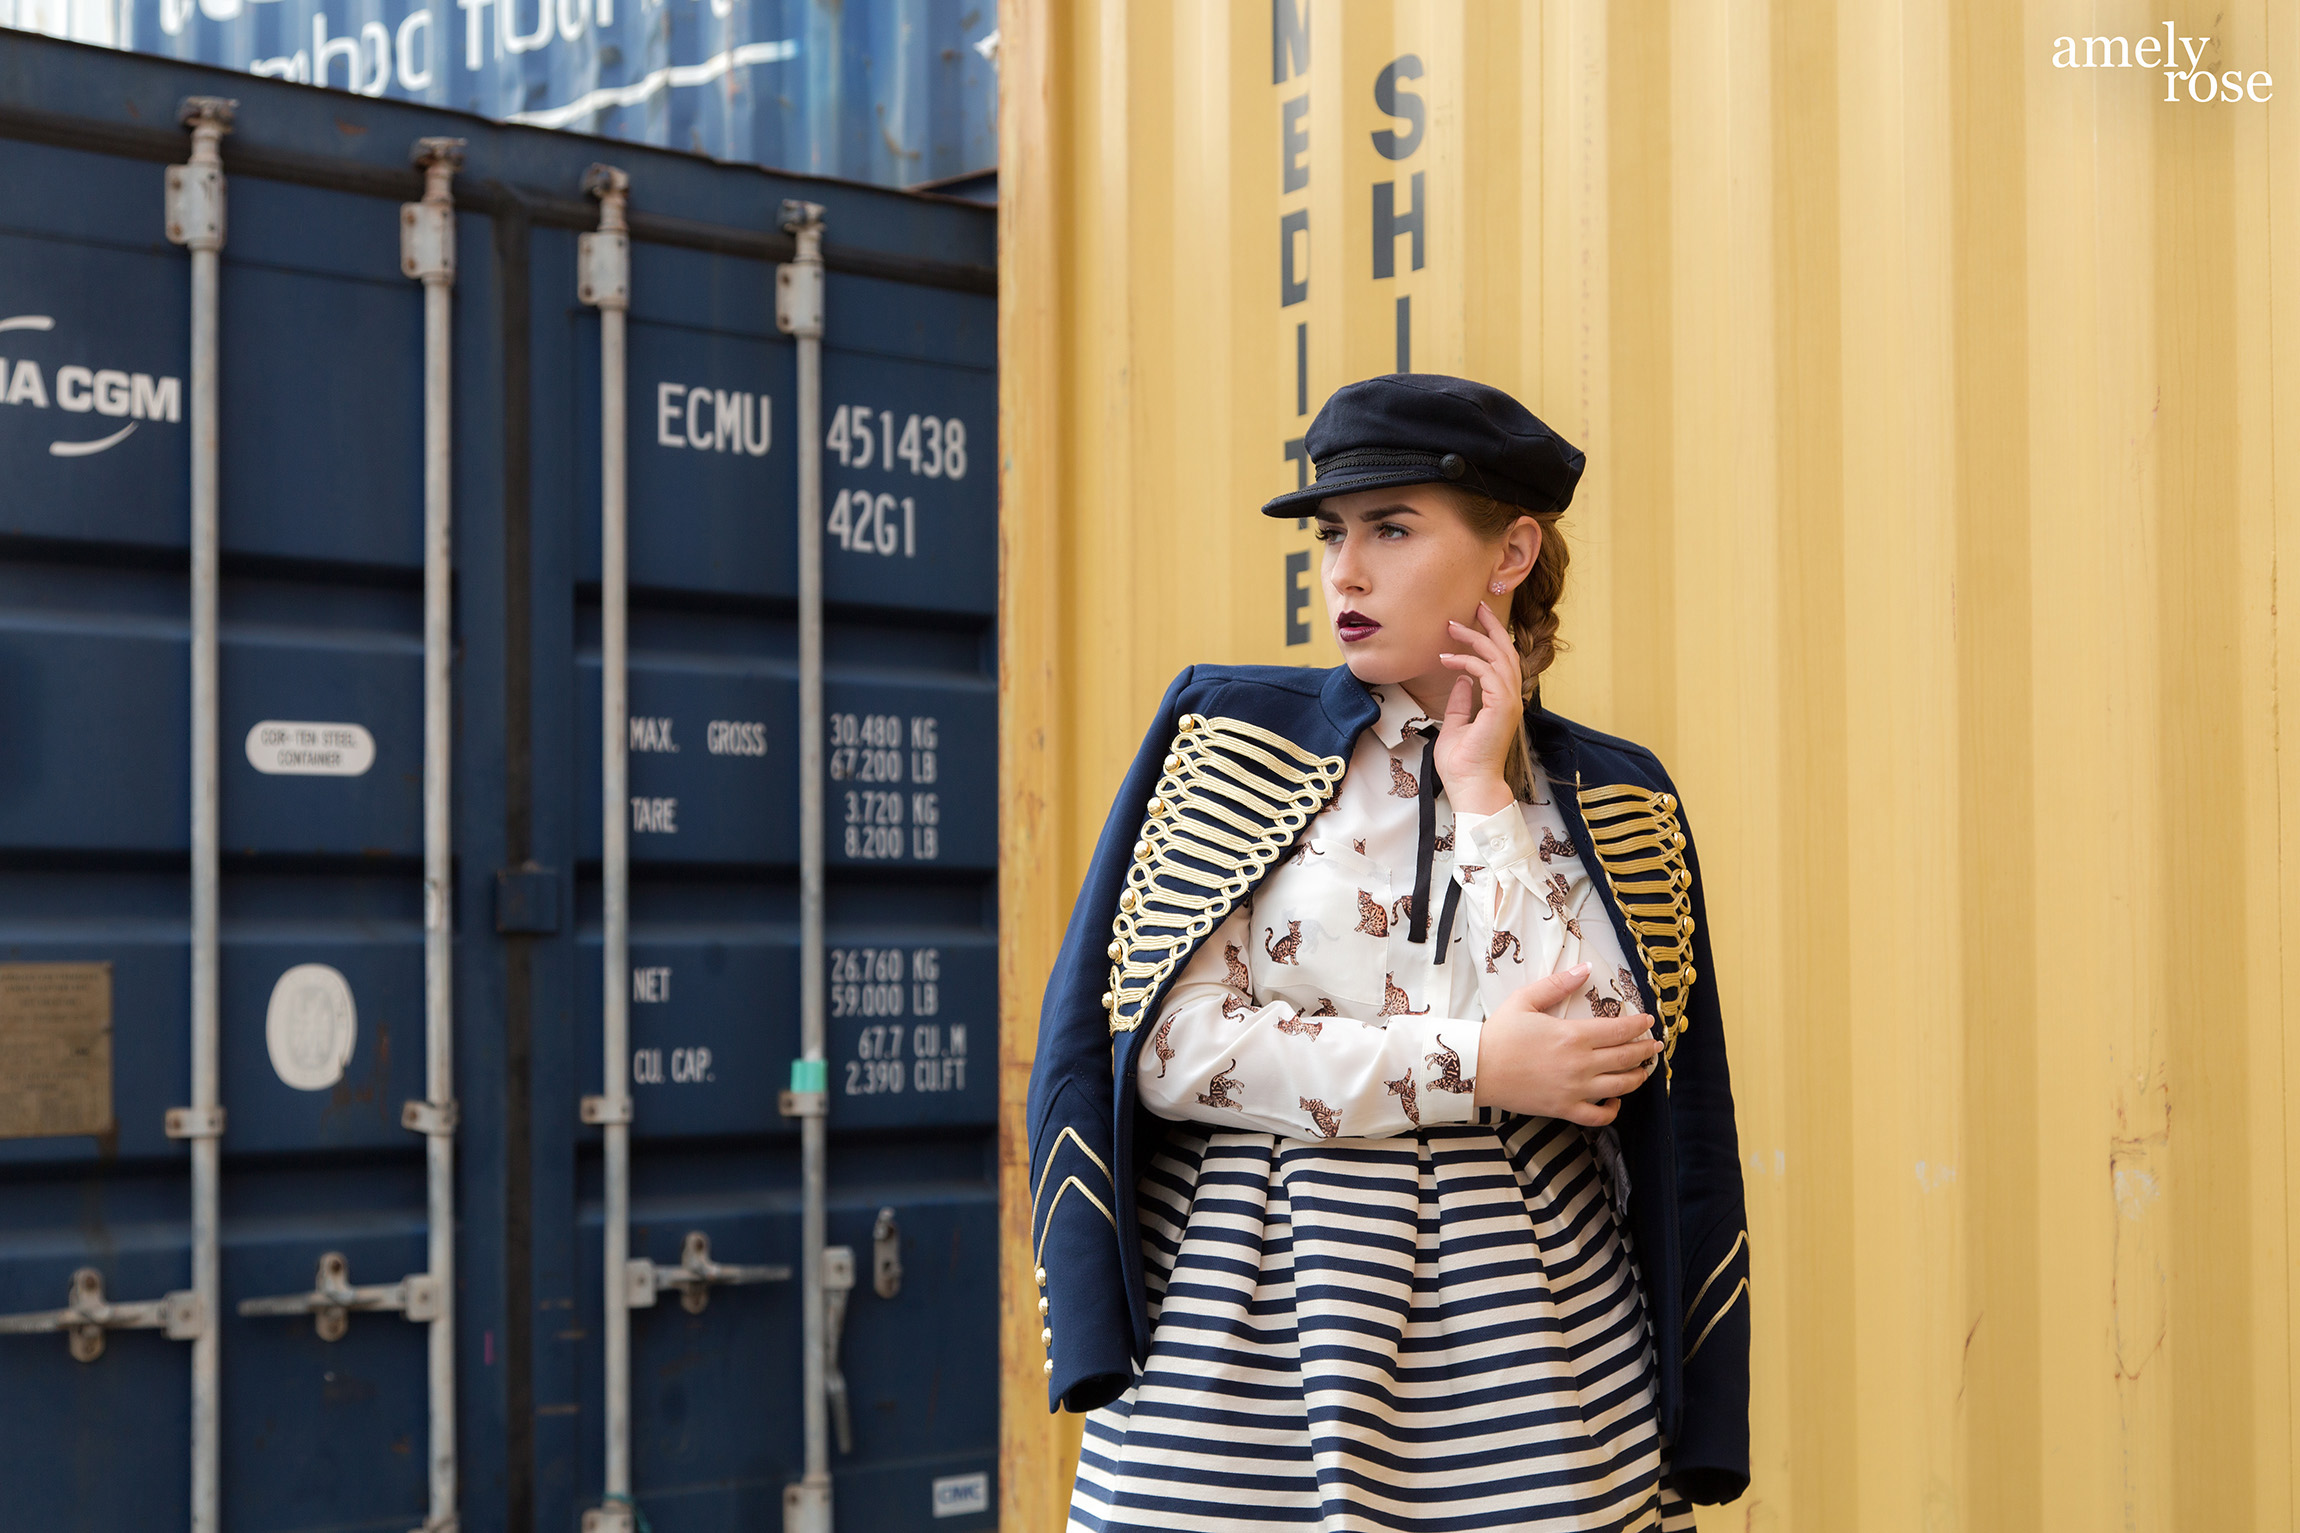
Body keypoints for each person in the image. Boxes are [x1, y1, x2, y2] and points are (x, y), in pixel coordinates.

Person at [1027, 374, 1750, 1531]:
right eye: (1331, 534)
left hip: (1525, 1345)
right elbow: (1164, 1049)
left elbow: (1593, 1067)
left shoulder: (1605, 796)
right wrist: (1472, 1067)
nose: (1343, 573)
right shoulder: (1232, 746)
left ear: (1509, 552)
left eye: (1391, 529)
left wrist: (1480, 798)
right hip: (1242, 1329)